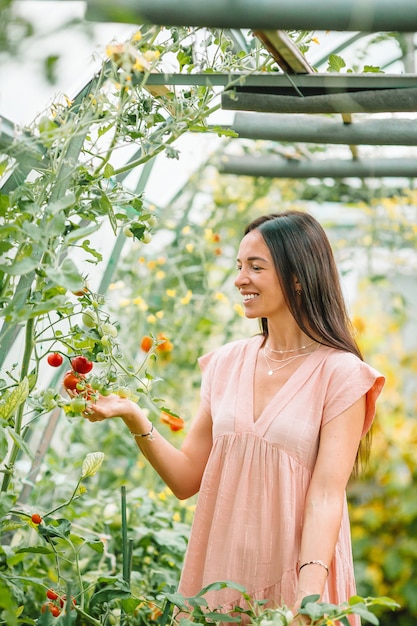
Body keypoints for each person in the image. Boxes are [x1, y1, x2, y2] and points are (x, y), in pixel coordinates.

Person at [81, 211, 385, 625]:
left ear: (298, 277)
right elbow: (187, 479)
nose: (240, 278)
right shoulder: (226, 364)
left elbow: (327, 495)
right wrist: (134, 416)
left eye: (256, 267)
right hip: (221, 582)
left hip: (299, 585)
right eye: (239, 266)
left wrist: (308, 600)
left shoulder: (341, 373)